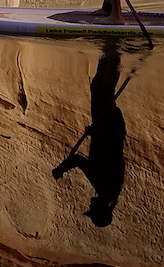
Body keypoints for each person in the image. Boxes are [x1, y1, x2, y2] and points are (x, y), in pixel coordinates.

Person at [51, 41, 127, 227]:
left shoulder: (109, 191)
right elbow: (80, 160)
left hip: (110, 127)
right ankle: (113, 51)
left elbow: (96, 159)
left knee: (99, 88)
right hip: (107, 126)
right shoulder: (105, 187)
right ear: (101, 209)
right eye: (93, 209)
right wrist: (60, 169)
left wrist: (95, 135)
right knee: (103, 89)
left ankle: (109, 53)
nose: (90, 205)